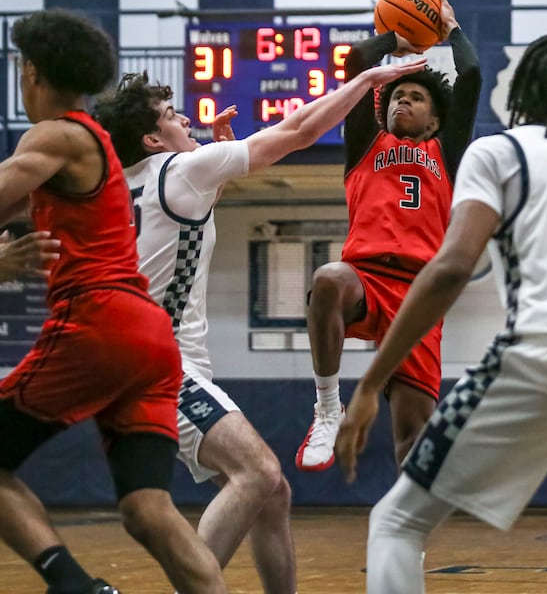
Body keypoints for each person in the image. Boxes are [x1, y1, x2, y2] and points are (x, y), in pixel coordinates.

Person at [335, 33, 547, 593]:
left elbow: (449, 271)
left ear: (522, 90)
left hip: (543, 354)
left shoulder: (501, 151)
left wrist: (369, 386)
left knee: (396, 523)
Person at [92, 55, 428, 593]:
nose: (187, 123)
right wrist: (364, 82)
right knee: (260, 473)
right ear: (153, 142)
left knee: (272, 496)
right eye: (175, 117)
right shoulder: (179, 172)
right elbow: (297, 131)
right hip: (157, 366)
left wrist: (216, 163)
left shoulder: (123, 189)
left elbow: (178, 220)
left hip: (132, 365)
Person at [0, 9, 228, 594]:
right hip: (152, 343)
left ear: (32, 73)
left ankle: (73, 585)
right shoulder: (92, 148)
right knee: (147, 509)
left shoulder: (56, 134)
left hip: (100, 322)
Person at [295, 0, 482, 473]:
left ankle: (409, 544)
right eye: (398, 95)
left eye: (416, 97)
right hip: (366, 279)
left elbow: (472, 75)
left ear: (435, 118)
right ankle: (326, 408)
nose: (404, 101)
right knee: (328, 279)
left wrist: (451, 29)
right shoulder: (365, 143)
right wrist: (394, 40)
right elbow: (356, 60)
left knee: (412, 440)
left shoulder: (448, 152)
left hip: (421, 292)